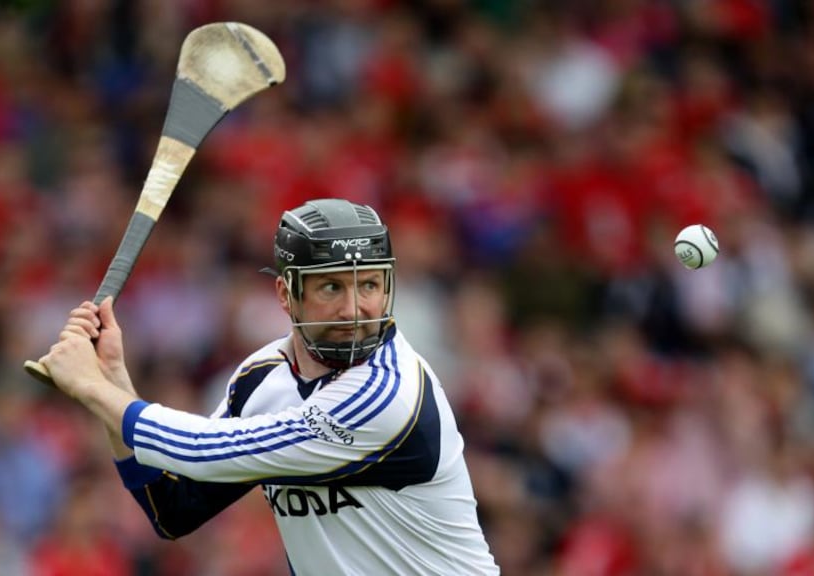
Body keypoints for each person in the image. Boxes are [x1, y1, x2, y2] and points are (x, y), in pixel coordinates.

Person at [39, 198, 501, 575]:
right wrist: (113, 379)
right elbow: (174, 508)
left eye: (369, 286)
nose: (354, 309)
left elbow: (200, 450)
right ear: (286, 294)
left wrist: (91, 387)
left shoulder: (384, 394)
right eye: (331, 288)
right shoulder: (261, 378)